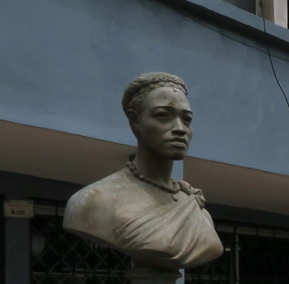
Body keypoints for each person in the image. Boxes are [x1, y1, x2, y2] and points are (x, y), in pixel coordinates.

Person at [64, 72, 223, 271]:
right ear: (135, 121)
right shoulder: (94, 201)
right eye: (163, 116)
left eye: (187, 119)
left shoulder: (192, 203)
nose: (180, 129)